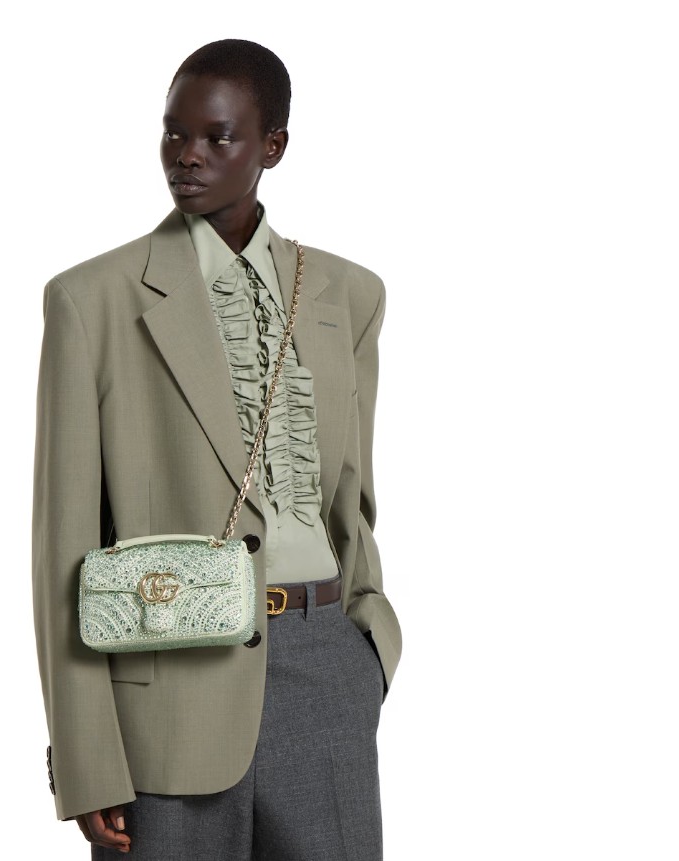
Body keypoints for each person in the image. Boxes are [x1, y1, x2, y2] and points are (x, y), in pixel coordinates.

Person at [32, 39, 403, 859]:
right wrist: (88, 757)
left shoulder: (349, 295)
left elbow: (353, 499)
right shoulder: (91, 301)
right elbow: (64, 545)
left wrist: (367, 647)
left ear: (273, 146)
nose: (187, 155)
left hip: (324, 677)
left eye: (217, 136)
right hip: (165, 694)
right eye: (174, 133)